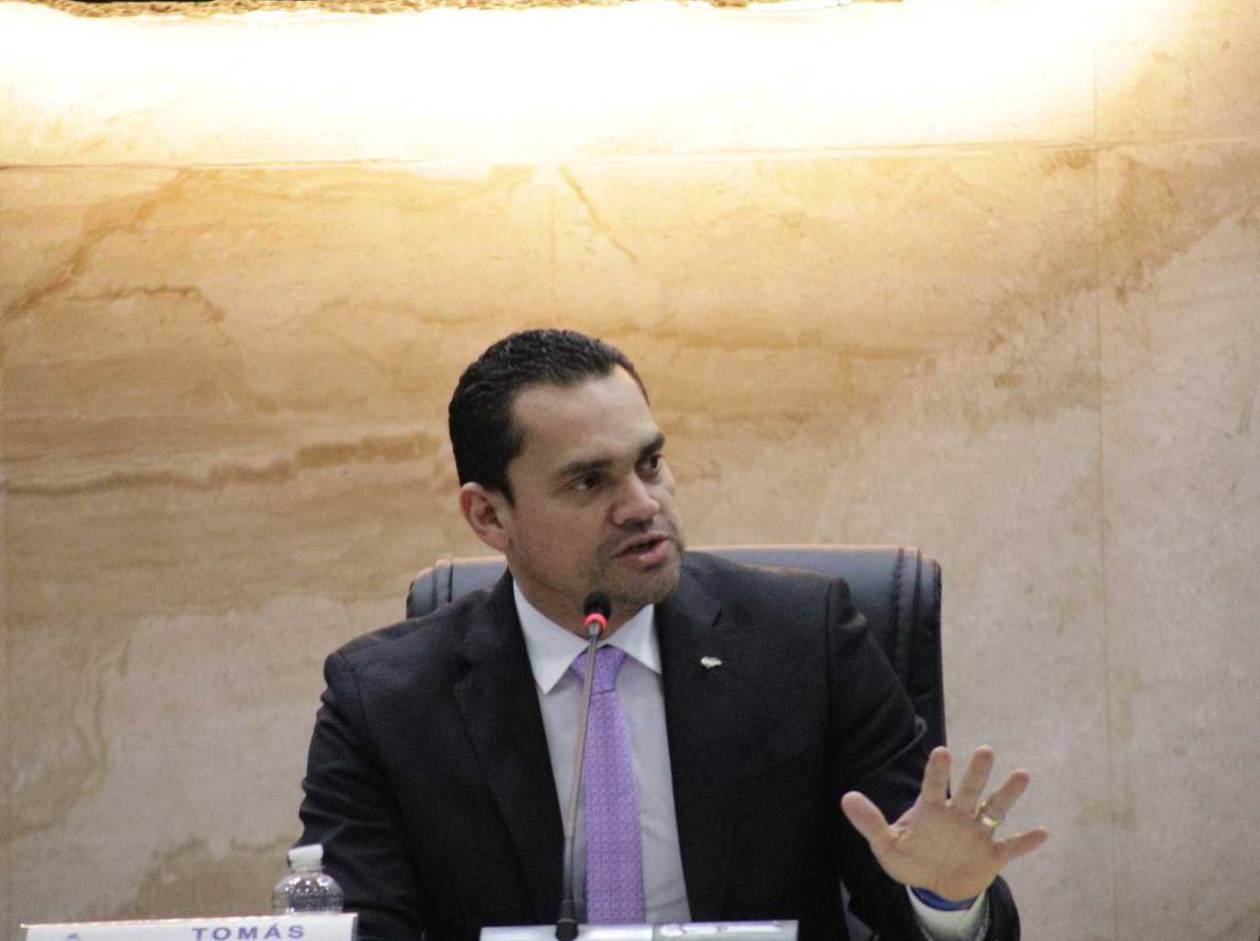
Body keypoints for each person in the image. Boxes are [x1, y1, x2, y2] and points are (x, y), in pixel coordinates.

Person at [296, 329, 1049, 941]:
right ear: (489, 515)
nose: (642, 504)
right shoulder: (383, 701)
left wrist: (945, 899)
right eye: (589, 481)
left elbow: (925, 892)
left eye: (650, 464)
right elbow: (358, 924)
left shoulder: (806, 643)